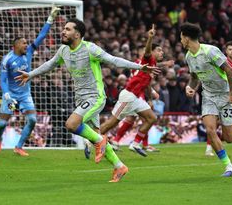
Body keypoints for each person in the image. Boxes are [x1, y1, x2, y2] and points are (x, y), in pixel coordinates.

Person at [17, 18, 159, 182]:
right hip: (81, 98)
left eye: (68, 29)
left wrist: (140, 66)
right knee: (94, 135)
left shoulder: (90, 49)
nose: (63, 31)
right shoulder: (64, 50)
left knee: (71, 124)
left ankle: (101, 141)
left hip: (95, 97)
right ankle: (119, 166)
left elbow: (113, 60)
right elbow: (49, 64)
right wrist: (31, 74)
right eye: (64, 28)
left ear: (77, 34)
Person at [180, 22, 232, 177]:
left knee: (229, 137)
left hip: (225, 95)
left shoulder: (210, 51)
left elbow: (229, 70)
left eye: (181, 37)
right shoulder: (188, 57)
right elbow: (194, 78)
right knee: (210, 130)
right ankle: (229, 167)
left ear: (186, 38)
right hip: (208, 96)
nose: (180, 40)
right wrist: (189, 87)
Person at [0, 5, 61, 156]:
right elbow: (3, 80)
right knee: (3, 123)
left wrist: (51, 18)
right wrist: (6, 95)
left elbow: (42, 36)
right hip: (10, 95)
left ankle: (18, 146)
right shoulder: (7, 60)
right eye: (23, 43)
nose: (27, 45)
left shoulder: (29, 52)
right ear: (16, 45)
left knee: (31, 120)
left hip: (25, 95)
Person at [100, 24, 164, 156]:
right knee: (112, 122)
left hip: (135, 98)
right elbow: (146, 52)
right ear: (152, 52)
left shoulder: (154, 64)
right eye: (159, 50)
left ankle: (135, 144)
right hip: (128, 96)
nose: (161, 52)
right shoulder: (148, 59)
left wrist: (150, 96)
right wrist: (150, 38)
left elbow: (146, 85)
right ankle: (91, 140)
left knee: (151, 118)